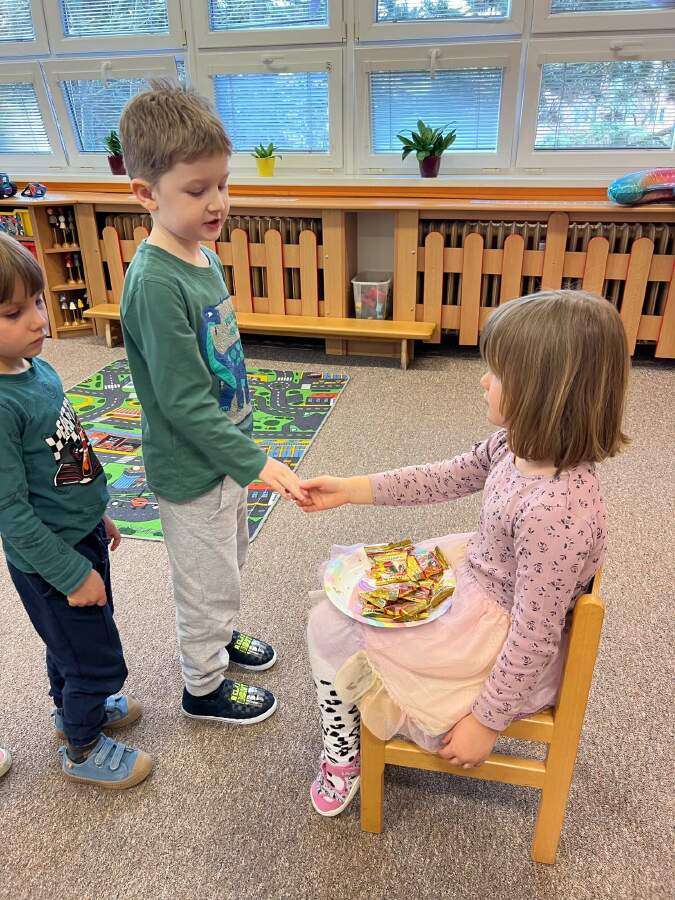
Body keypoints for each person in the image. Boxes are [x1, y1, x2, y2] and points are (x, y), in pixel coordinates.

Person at [300, 289, 629, 816]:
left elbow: (535, 634)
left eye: (497, 373)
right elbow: (445, 477)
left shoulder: (556, 510)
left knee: (328, 625)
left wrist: (486, 721)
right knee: (341, 603)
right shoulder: (515, 443)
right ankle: (354, 729)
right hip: (476, 582)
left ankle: (344, 752)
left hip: (495, 639)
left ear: (544, 391)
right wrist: (352, 488)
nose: (482, 381)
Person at [119, 81, 306, 725]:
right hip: (191, 465)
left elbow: (221, 361)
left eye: (223, 184)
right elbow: (182, 403)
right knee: (203, 582)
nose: (218, 202)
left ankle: (221, 640)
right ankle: (202, 686)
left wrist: (242, 453)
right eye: (197, 190)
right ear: (146, 193)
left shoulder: (202, 255)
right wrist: (254, 461)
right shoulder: (154, 282)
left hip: (224, 454)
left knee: (228, 563)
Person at [0, 232, 151, 788]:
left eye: (38, 302)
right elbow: (10, 513)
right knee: (95, 658)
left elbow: (70, 454)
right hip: (49, 560)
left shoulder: (36, 371)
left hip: (79, 535)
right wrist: (69, 572)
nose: (39, 320)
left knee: (71, 644)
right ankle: (83, 749)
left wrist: (96, 511)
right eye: (14, 313)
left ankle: (71, 714)